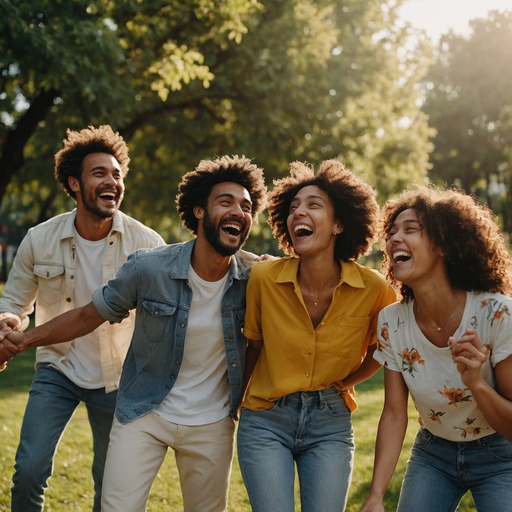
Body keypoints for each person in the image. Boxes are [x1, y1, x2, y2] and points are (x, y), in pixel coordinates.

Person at [0, 155, 267, 512]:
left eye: (246, 206)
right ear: (199, 211)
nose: (239, 211)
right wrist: (22, 339)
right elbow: (87, 315)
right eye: (225, 202)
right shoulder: (150, 266)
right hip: (144, 410)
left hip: (212, 423)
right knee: (99, 500)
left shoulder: (257, 278)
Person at [0, 125, 165, 512]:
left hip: (120, 378)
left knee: (110, 485)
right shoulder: (39, 238)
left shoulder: (147, 244)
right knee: (28, 471)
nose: (112, 181)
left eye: (117, 174)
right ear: (74, 183)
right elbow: (14, 302)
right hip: (57, 368)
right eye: (100, 173)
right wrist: (8, 323)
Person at [236, 159, 396, 512]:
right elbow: (254, 346)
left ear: (339, 224)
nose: (299, 214)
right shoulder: (264, 279)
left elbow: (382, 350)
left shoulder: (374, 289)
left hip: (330, 423)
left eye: (313, 205)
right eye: (293, 208)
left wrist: (348, 381)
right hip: (265, 419)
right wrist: (235, 404)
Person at [360, 187, 512, 512]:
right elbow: (393, 413)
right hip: (434, 453)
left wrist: (477, 383)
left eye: (410, 229)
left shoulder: (496, 314)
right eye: (391, 232)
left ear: (442, 243)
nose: (394, 239)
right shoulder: (391, 321)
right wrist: (375, 496)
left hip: (500, 452)